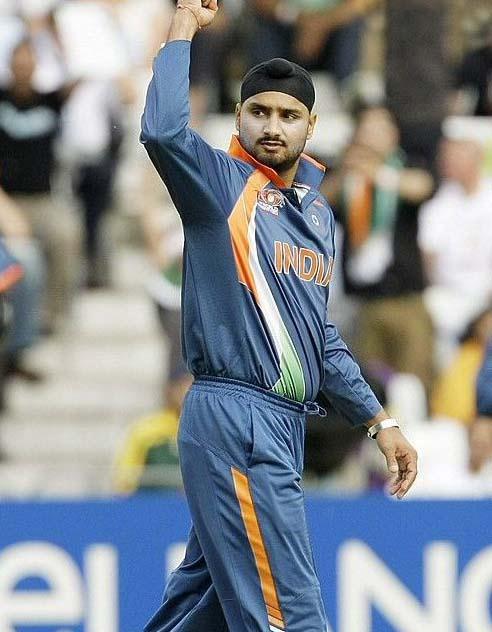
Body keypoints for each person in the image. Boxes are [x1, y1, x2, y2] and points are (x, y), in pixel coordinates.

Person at [140, 2, 418, 631]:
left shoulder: (316, 215)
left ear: (312, 125)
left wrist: (379, 421)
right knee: (291, 617)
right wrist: (183, 28)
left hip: (282, 424)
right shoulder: (219, 183)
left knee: (202, 613)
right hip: (236, 416)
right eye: (259, 111)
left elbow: (317, 337)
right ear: (237, 117)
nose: (273, 126)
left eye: (288, 115)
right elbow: (160, 132)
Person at [323, 105, 435, 392]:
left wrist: (376, 172)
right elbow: (318, 202)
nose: (372, 136)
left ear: (394, 135)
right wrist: (350, 171)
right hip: (364, 304)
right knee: (371, 389)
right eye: (367, 128)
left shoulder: (405, 166)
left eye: (380, 129)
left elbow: (422, 186)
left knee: (414, 387)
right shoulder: (348, 177)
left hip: (405, 300)